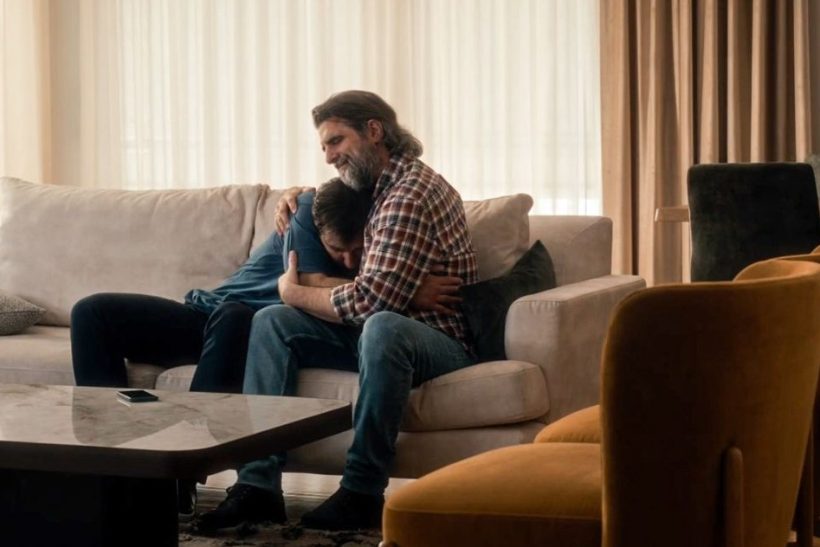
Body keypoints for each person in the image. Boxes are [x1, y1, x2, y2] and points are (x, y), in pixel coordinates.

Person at [197, 90, 477, 532]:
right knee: (271, 321)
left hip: (437, 343)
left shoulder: (408, 195)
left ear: (374, 131)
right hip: (380, 335)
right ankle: (257, 486)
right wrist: (300, 197)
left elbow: (372, 303)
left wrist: (292, 291)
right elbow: (344, 233)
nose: (328, 156)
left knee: (382, 325)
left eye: (336, 141)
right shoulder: (377, 189)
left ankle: (362, 491)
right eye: (325, 146)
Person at [70, 179, 371, 520]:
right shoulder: (305, 212)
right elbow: (311, 280)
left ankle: (180, 475)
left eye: (358, 251)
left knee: (237, 315)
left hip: (246, 329)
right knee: (90, 313)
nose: (350, 261)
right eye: (338, 250)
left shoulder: (381, 242)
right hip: (206, 314)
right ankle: (111, 464)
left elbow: (355, 295)